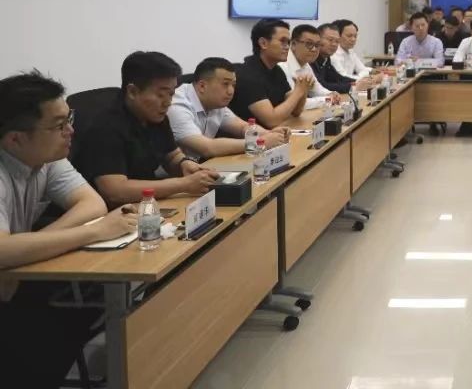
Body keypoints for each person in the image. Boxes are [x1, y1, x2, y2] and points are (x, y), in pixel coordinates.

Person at [0, 71, 139, 388]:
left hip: (8, 281)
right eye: (59, 125)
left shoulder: (46, 157)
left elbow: (92, 204)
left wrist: (20, 255)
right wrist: (94, 232)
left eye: (69, 119)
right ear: (15, 139)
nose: (71, 131)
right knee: (50, 322)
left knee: (85, 301)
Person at [76, 51, 220, 207]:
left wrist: (185, 164)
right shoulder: (105, 127)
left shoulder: (156, 116)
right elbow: (115, 191)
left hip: (147, 203)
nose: (168, 103)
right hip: (112, 212)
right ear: (132, 92)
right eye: (161, 95)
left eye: (171, 94)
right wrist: (184, 184)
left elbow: (171, 156)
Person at [168, 57, 287, 159]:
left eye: (233, 85)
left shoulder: (214, 102)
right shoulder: (177, 105)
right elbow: (207, 148)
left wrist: (271, 134)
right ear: (202, 86)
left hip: (202, 166)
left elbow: (242, 127)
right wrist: (258, 143)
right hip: (176, 175)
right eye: (225, 84)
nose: (231, 91)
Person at [231, 18, 314, 126]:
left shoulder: (277, 70)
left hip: (271, 133)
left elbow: (296, 111)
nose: (287, 47)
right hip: (247, 135)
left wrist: (303, 89)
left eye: (288, 42)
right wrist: (299, 91)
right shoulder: (247, 74)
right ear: (263, 43)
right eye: (283, 41)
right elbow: (271, 121)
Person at [280, 24, 339, 110]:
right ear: (293, 44)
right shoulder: (282, 66)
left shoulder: (305, 64)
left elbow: (317, 90)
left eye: (317, 45)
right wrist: (327, 99)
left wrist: (331, 94)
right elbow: (295, 103)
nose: (314, 49)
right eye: (309, 44)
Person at [313, 24, 370, 95]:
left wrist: (360, 82)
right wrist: (353, 87)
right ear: (318, 40)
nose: (334, 44)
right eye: (330, 40)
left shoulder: (326, 58)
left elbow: (337, 78)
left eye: (337, 41)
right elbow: (322, 86)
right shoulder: (311, 59)